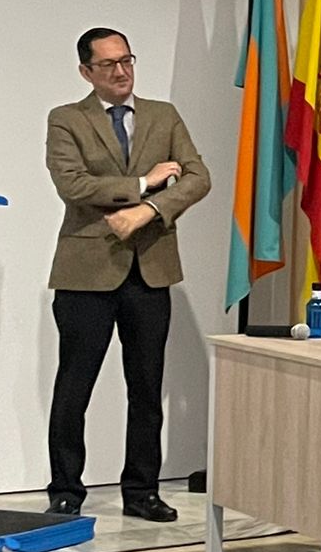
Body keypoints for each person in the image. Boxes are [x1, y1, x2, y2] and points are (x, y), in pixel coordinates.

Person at [44, 29, 211, 519]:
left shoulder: (164, 115)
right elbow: (73, 185)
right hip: (86, 273)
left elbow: (198, 177)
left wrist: (148, 210)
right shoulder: (67, 119)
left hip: (150, 270)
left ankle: (142, 491)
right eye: (108, 64)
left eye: (127, 61)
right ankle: (66, 489)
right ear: (86, 72)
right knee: (74, 387)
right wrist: (143, 182)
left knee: (146, 387)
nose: (121, 72)